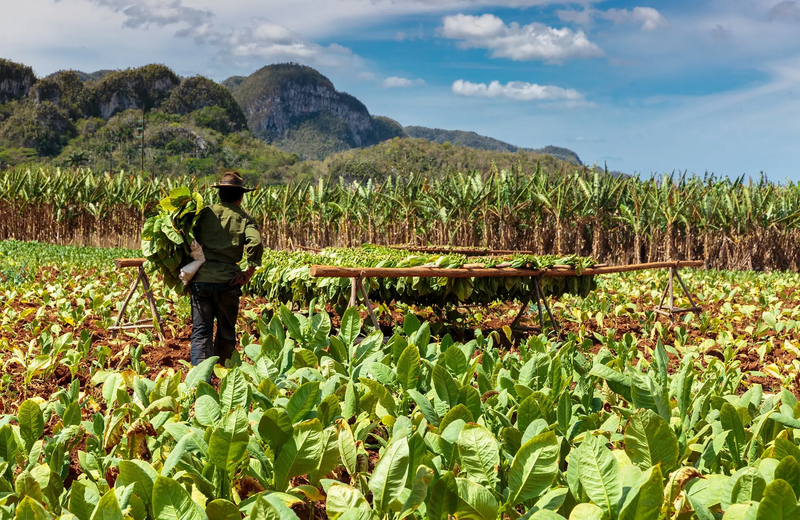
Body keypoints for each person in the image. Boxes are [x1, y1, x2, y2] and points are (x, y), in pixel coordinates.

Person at [189, 172, 263, 367]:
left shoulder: (204, 214)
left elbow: (185, 238)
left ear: (220, 194)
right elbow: (255, 242)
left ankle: (200, 381)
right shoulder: (244, 218)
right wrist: (249, 272)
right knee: (226, 333)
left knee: (200, 333)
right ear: (241, 197)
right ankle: (223, 379)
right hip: (228, 284)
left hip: (201, 281)